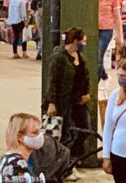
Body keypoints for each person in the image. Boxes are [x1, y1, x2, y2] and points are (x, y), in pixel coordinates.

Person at [46, 26, 91, 158]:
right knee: (67, 134)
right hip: (63, 102)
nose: (85, 44)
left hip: (79, 101)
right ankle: (66, 163)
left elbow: (85, 78)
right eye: (83, 41)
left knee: (85, 130)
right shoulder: (59, 58)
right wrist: (51, 102)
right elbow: (52, 81)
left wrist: (87, 94)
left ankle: (74, 158)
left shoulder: (81, 58)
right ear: (76, 41)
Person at [0, 112, 43, 178]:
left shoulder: (7, 159)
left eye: (40, 132)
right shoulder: (18, 165)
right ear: (20, 137)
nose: (39, 136)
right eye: (34, 132)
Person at [99, 0, 124, 81]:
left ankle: (99, 80)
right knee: (96, 57)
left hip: (106, 30)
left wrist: (120, 35)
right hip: (95, 30)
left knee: (98, 55)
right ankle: (104, 76)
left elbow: (117, 18)